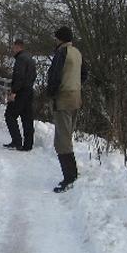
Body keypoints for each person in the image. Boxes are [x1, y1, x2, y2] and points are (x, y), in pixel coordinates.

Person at [46, 26, 87, 192]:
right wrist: (75, 86)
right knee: (67, 136)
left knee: (62, 140)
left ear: (60, 39)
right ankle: (73, 174)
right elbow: (84, 74)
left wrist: (51, 93)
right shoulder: (77, 52)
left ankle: (69, 177)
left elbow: (55, 77)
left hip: (62, 99)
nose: (55, 41)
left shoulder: (61, 53)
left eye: (56, 38)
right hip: (76, 97)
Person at [4, 39, 37, 151]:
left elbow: (19, 76)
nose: (12, 49)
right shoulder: (30, 59)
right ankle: (28, 144)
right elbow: (33, 76)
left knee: (9, 115)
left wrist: (13, 92)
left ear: (18, 47)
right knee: (27, 118)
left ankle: (17, 141)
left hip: (21, 92)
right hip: (29, 90)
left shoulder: (20, 59)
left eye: (13, 47)